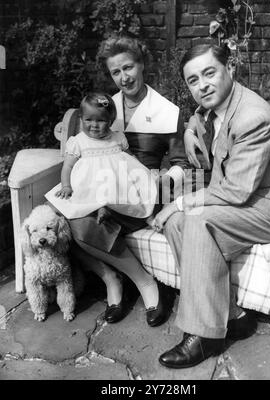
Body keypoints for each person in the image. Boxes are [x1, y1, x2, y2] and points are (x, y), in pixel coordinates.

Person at [149, 44, 270, 368]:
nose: (202, 85)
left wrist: (179, 202)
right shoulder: (216, 105)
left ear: (228, 69)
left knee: (196, 220)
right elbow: (202, 114)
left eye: (209, 73)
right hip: (245, 202)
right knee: (179, 224)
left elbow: (235, 190)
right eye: (193, 80)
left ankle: (204, 336)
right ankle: (235, 316)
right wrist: (190, 129)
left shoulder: (253, 117)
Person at [65, 36, 190, 326]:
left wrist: (160, 182)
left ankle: (145, 284)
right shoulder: (104, 107)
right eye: (116, 72)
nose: (124, 77)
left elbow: (181, 164)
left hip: (144, 193)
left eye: (129, 67)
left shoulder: (167, 111)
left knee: (84, 224)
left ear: (142, 64)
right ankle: (112, 278)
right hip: (103, 188)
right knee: (62, 217)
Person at [45, 92, 157, 222]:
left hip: (116, 183)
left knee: (135, 190)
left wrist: (142, 172)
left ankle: (113, 211)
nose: (94, 125)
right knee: (85, 196)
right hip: (90, 184)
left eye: (100, 120)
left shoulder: (118, 137)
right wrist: (66, 186)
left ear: (110, 121)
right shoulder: (78, 142)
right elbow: (68, 166)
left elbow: (130, 157)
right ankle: (99, 210)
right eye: (88, 120)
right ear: (81, 119)